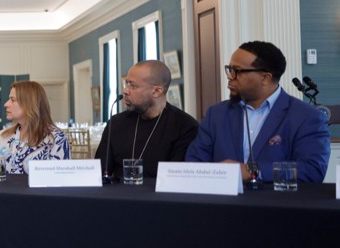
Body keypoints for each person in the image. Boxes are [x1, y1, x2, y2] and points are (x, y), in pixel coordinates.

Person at [186, 41, 330, 182]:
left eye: (237, 71)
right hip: (221, 203)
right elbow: (194, 164)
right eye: (229, 69)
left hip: (276, 204)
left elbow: (312, 170)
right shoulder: (216, 114)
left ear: (265, 78)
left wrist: (253, 171)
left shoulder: (307, 117)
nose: (230, 76)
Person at [94, 60, 199, 179]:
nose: (125, 91)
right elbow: (100, 172)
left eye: (132, 86)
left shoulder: (185, 127)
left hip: (159, 197)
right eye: (126, 84)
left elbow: (177, 180)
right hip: (117, 195)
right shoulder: (116, 123)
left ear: (156, 91)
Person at [0, 80, 70, 174]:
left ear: (29, 104)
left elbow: (62, 179)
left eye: (13, 100)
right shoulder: (2, 136)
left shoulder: (55, 139)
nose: (6, 104)